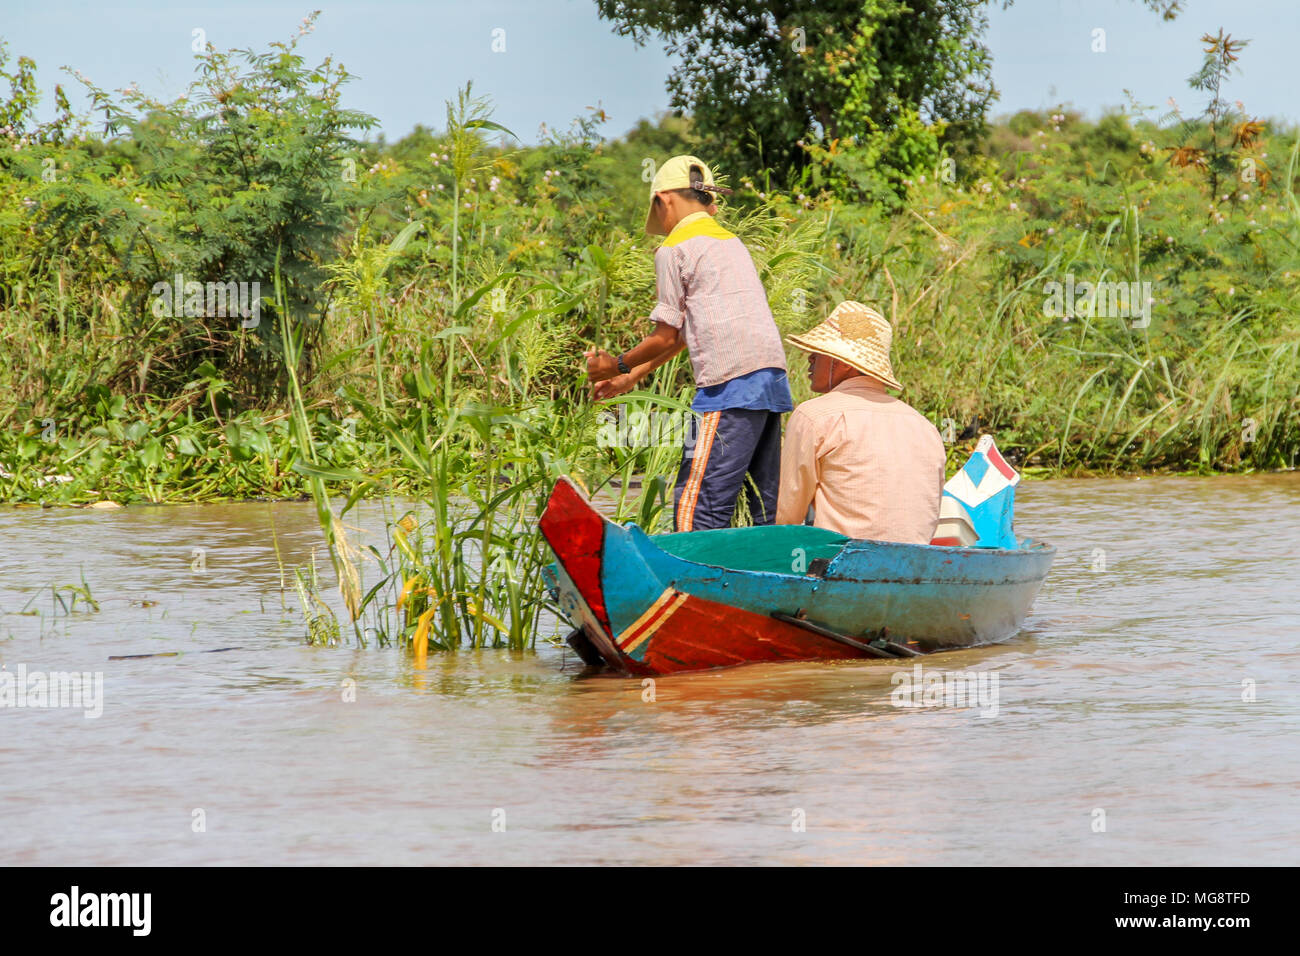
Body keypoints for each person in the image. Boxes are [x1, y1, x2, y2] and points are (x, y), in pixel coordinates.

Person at [585, 154, 793, 531]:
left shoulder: (673, 249)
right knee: (758, 508)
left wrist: (615, 365)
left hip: (728, 386)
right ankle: (757, 579)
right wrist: (633, 376)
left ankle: (685, 581)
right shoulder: (731, 243)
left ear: (663, 200)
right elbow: (686, 334)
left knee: (697, 506)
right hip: (771, 383)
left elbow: (664, 334)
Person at [776, 301, 945, 544]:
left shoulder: (813, 416)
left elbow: (786, 518)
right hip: (913, 565)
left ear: (844, 363)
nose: (810, 358)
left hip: (841, 566)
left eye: (820, 352)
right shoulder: (925, 427)